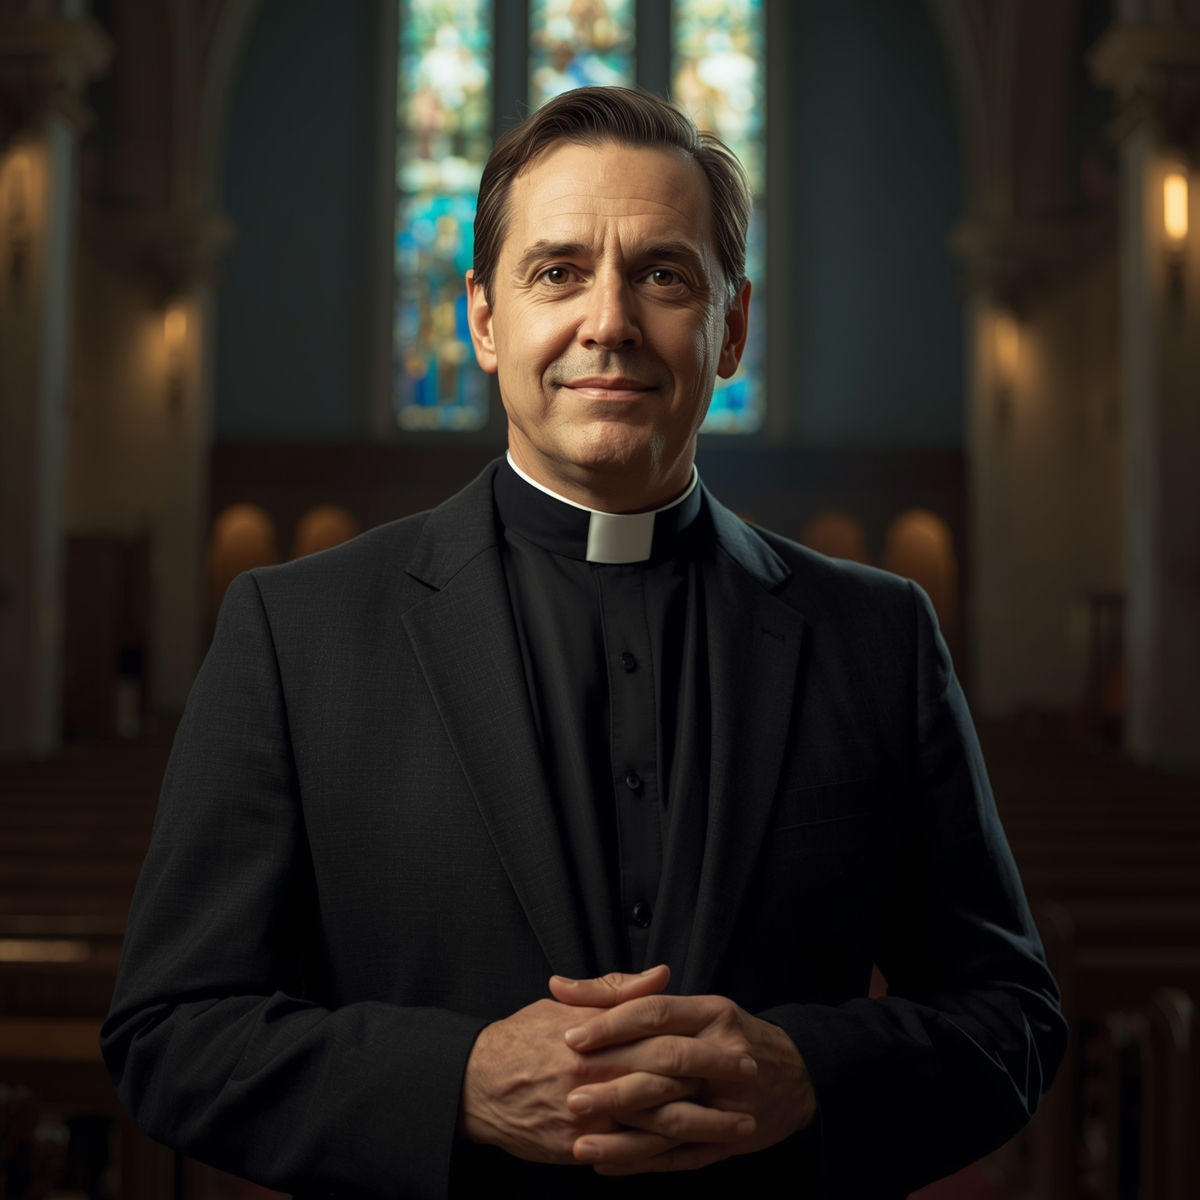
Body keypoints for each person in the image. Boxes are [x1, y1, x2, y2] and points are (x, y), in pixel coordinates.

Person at [101, 87, 1066, 1199]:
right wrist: (455, 1084)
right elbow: (170, 1033)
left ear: (732, 328)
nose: (609, 321)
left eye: (663, 275)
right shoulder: (296, 631)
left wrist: (806, 1075)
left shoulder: (877, 637)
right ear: (482, 319)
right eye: (557, 272)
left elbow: (1012, 1019)